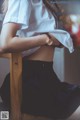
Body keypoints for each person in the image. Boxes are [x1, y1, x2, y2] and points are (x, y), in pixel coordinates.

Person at [0, 0, 80, 119]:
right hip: (31, 83)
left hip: (46, 78)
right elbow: (5, 43)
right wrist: (46, 39)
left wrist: (57, 39)